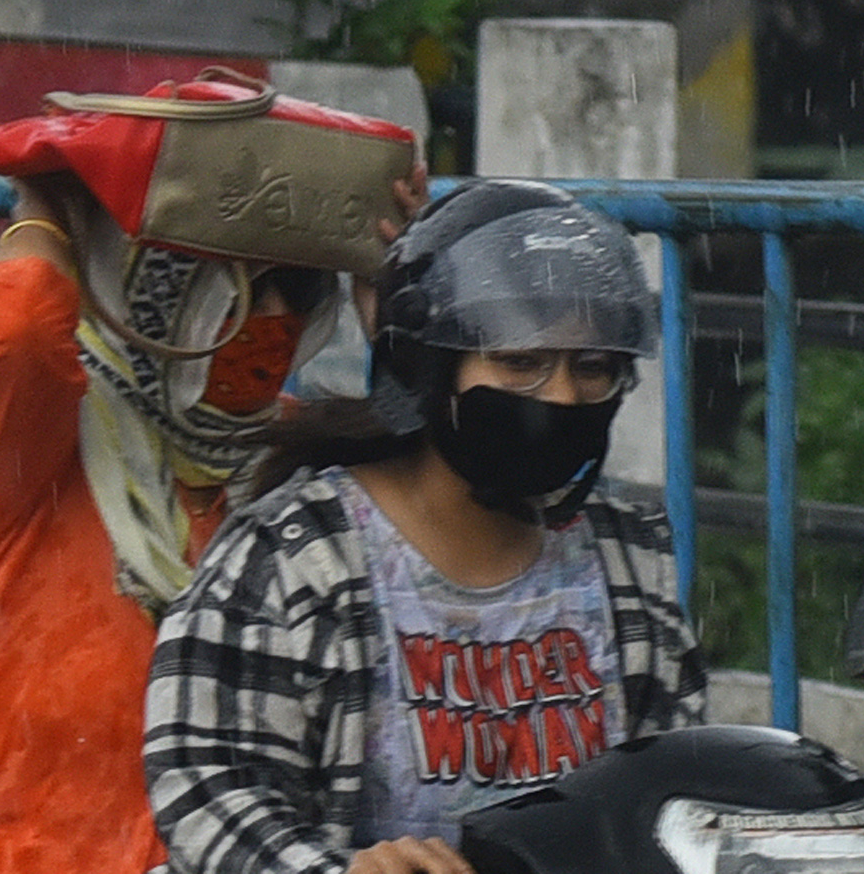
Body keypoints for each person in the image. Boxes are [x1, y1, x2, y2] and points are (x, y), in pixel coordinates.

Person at [0, 74, 422, 874]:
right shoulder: (41, 448)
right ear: (145, 284)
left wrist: (403, 302)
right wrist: (50, 199)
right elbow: (22, 330)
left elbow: (439, 458)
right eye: (231, 287)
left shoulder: (300, 470)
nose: (270, 320)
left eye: (296, 290)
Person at [143, 179, 708, 874]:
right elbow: (207, 785)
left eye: (592, 368)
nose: (562, 396)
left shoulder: (628, 556)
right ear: (431, 370)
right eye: (520, 362)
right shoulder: (297, 556)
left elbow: (673, 792)